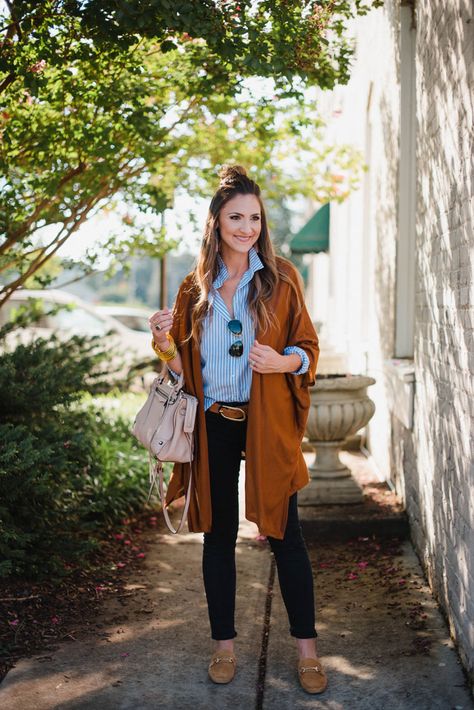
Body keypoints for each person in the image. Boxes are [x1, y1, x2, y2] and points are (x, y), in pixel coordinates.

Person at [148, 165, 327, 695]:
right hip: (213, 425)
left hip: (265, 422)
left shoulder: (281, 278)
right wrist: (162, 342)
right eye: (235, 217)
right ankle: (223, 647)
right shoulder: (193, 289)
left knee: (284, 536)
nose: (246, 227)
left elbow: (309, 350)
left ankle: (308, 652)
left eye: (254, 217)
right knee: (217, 537)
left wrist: (284, 362)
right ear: (216, 222)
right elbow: (183, 372)